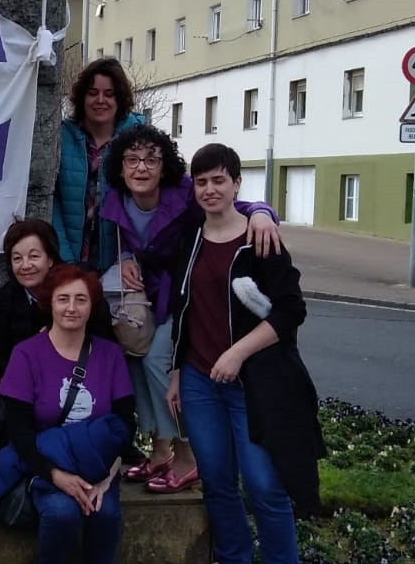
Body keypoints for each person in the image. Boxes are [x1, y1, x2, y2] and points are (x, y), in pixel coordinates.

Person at [167, 144, 325, 564]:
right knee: (217, 481)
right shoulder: (189, 238)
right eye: (202, 182)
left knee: (263, 486)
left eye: (219, 180)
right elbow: (183, 310)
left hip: (251, 384)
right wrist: (176, 371)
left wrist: (237, 353)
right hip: (198, 380)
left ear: (237, 183)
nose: (210, 189)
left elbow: (291, 310)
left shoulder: (262, 240)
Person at [101, 124, 281, 493]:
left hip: (184, 294)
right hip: (145, 295)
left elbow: (237, 205)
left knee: (156, 363)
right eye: (131, 159)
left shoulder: (184, 193)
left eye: (151, 159)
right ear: (120, 168)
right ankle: (159, 451)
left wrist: (263, 212)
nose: (141, 168)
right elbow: (123, 243)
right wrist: (126, 257)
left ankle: (186, 457)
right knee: (133, 356)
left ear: (164, 165)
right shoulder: (116, 200)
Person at [0, 265, 134, 564]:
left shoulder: (110, 355)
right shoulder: (27, 354)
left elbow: (124, 423)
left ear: (92, 306)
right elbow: (19, 429)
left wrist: (107, 478)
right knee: (61, 511)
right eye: (63, 299)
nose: (71, 308)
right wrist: (54, 475)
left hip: (98, 466)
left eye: (80, 299)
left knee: (106, 511)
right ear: (50, 305)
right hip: (48, 461)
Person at [0, 216, 112, 381]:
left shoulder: (78, 289)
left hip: (82, 381)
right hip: (27, 384)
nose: (25, 265)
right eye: (17, 258)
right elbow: (0, 355)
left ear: (51, 259)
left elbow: (105, 345)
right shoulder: (6, 298)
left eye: (34, 256)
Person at [52, 58, 144, 273]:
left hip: (119, 264)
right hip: (67, 259)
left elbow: (147, 201)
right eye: (93, 93)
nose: (100, 100)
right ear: (82, 97)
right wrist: (64, 257)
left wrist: (127, 255)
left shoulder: (138, 138)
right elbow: (53, 200)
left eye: (109, 94)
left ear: (119, 98)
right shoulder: (61, 136)